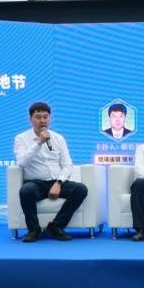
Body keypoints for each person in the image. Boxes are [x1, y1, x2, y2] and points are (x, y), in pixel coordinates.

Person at [14, 102, 88, 243]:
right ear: (30, 119)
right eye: (38, 117)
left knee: (80, 189)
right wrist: (39, 143)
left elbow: (67, 165)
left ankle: (56, 226)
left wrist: (59, 182)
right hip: (35, 183)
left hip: (56, 182)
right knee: (26, 191)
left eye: (45, 117)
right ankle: (34, 230)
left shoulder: (58, 138)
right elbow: (22, 162)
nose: (42, 121)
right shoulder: (21, 139)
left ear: (50, 118)